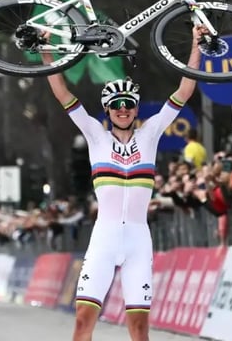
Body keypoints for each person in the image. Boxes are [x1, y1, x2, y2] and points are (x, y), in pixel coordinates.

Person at [42, 25, 206, 341]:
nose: (122, 110)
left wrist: (196, 45)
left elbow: (185, 91)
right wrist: (46, 54)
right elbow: (63, 94)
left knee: (139, 329)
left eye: (128, 104)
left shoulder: (150, 134)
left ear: (136, 109)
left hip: (138, 241)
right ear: (107, 109)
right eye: (116, 105)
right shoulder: (96, 136)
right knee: (83, 322)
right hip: (103, 240)